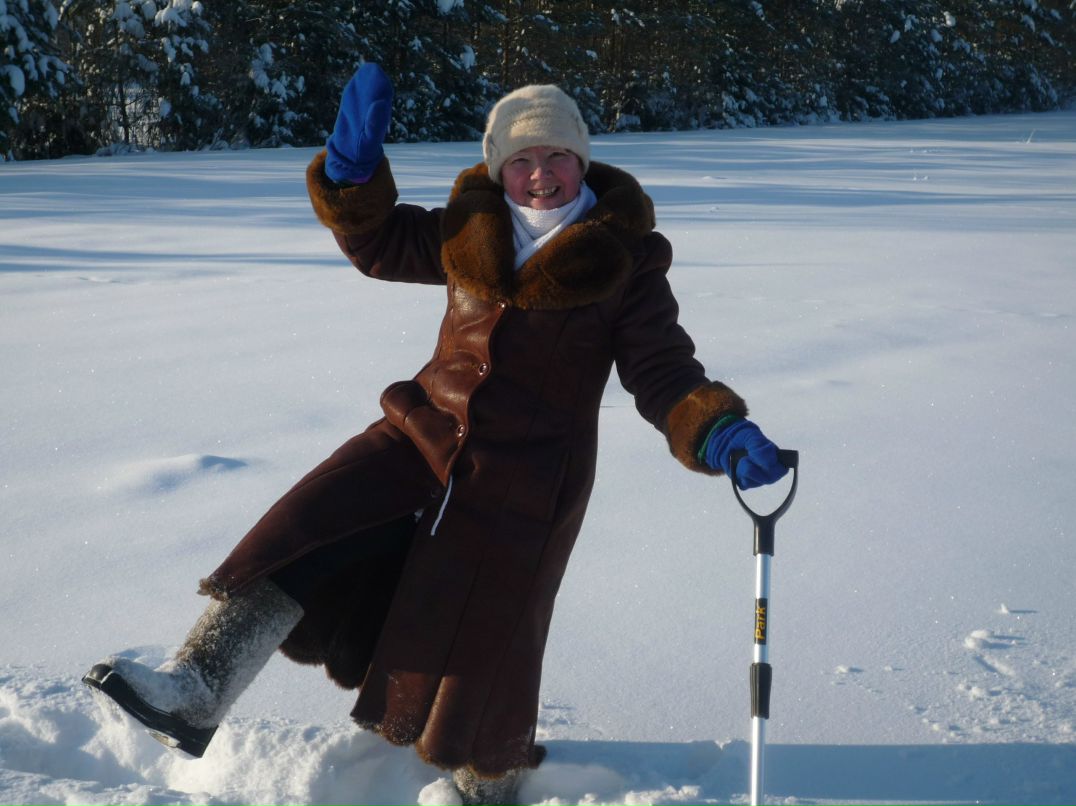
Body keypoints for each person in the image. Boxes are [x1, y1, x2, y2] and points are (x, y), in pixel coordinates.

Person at [83, 64, 788, 805]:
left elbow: (662, 368)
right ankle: (196, 689)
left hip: (529, 476)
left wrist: (715, 430)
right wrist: (353, 177)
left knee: (493, 636)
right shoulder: (469, 227)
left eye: (555, 157)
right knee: (303, 532)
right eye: (521, 159)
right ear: (499, 167)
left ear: (581, 161)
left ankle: (487, 781)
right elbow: (381, 244)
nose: (539, 175)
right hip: (420, 433)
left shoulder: (625, 260)